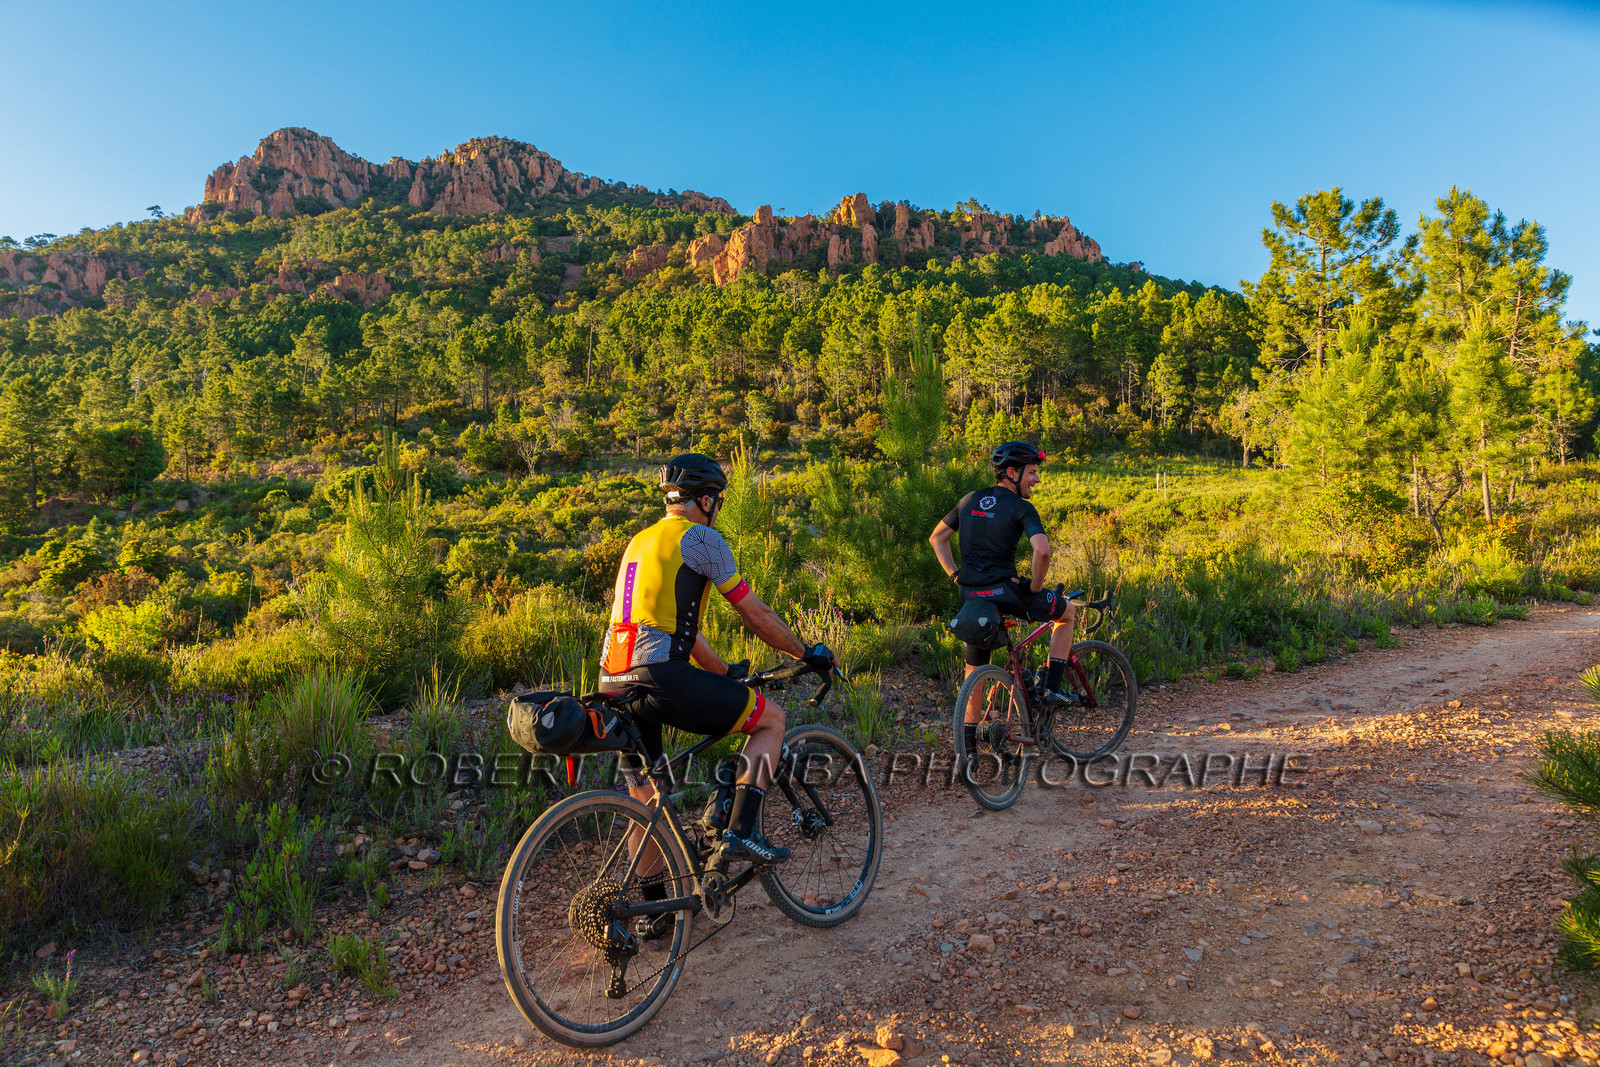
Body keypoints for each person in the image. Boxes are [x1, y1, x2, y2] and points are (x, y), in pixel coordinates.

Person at [598, 453, 835, 877]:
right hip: (660, 676)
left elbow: (673, 629)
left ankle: (652, 915)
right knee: (771, 721)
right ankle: (741, 832)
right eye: (718, 501)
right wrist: (804, 652)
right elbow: (756, 614)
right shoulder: (702, 540)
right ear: (706, 502)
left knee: (647, 799)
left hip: (613, 680)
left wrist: (723, 672)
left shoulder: (639, 542)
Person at [927, 441, 1078, 747]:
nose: (1036, 479)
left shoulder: (968, 500)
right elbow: (1043, 552)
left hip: (972, 597)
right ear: (1012, 472)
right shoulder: (1021, 507)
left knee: (975, 672)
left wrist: (956, 576)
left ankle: (966, 755)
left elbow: (937, 538)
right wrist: (1034, 588)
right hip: (1006, 592)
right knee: (1067, 615)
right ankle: (1051, 687)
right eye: (1032, 473)